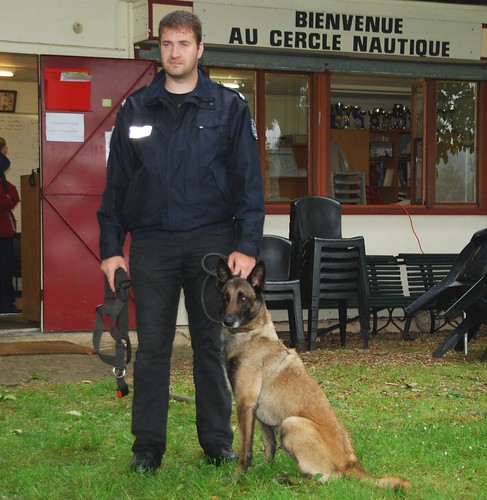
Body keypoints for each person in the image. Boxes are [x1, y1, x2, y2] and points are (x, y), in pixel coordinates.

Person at [97, 10, 265, 473]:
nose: (175, 52)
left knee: (209, 345)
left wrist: (247, 245)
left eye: (183, 44)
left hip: (213, 245)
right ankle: (147, 448)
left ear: (199, 49)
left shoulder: (229, 108)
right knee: (153, 347)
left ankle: (216, 442)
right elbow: (115, 188)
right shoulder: (135, 110)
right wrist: (111, 249)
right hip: (153, 247)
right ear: (159, 51)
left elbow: (249, 183)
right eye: (167, 44)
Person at [0, 137, 20, 314]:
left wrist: (8, 199)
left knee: (6, 268)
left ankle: (6, 303)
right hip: (2, 233)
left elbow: (13, 194)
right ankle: (5, 303)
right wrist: (7, 199)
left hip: (4, 232)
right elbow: (4, 201)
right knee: (4, 267)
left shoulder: (3, 179)